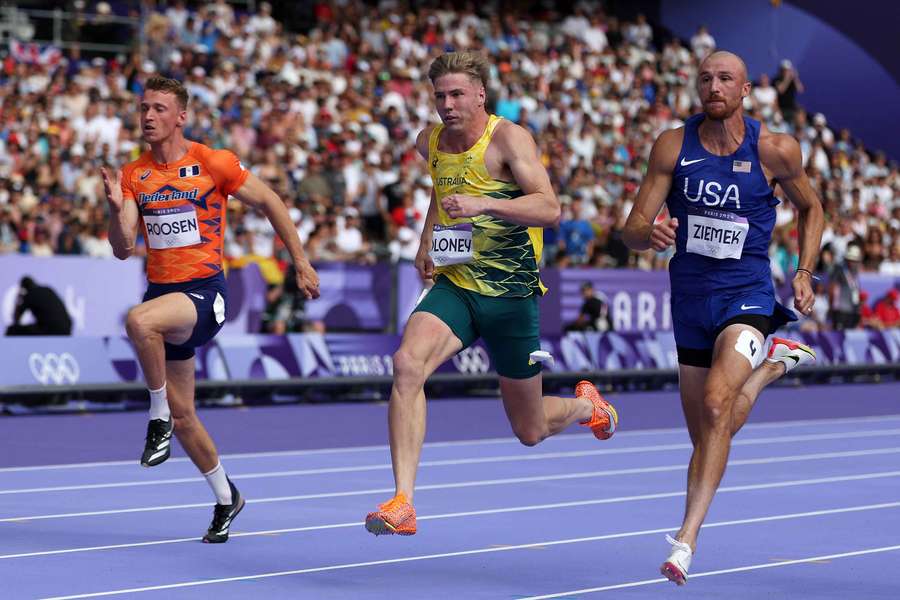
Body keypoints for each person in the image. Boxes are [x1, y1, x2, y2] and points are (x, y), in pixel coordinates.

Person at [364, 52, 618, 536]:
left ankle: (589, 407)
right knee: (406, 364)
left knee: (530, 430)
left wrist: (484, 203)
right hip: (457, 285)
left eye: (457, 94)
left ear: (480, 95)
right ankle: (403, 502)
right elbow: (442, 190)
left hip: (511, 297)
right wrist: (426, 241)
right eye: (440, 96)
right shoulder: (431, 141)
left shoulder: (508, 139)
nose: (447, 104)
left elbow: (550, 208)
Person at [622, 51, 824, 585]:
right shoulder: (672, 145)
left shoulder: (776, 149)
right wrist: (650, 233)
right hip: (689, 299)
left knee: (716, 405)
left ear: (744, 91)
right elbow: (631, 227)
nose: (714, 86)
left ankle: (685, 539)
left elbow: (813, 207)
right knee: (712, 430)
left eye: (725, 79)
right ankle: (771, 367)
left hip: (747, 295)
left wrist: (804, 271)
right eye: (706, 78)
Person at [101, 76, 319, 543]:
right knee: (186, 418)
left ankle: (154, 415)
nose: (148, 116)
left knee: (138, 322)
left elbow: (270, 201)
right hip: (163, 297)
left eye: (159, 108)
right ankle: (226, 498)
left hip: (205, 295)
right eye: (143, 108)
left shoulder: (212, 162)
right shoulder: (133, 174)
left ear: (181, 116)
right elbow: (123, 248)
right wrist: (113, 207)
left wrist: (299, 261)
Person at [5, 276, 73, 336]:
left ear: (23, 289)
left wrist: (18, 300)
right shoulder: (48, 290)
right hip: (67, 329)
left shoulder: (29, 295)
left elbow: (16, 319)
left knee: (11, 330)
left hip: (50, 330)